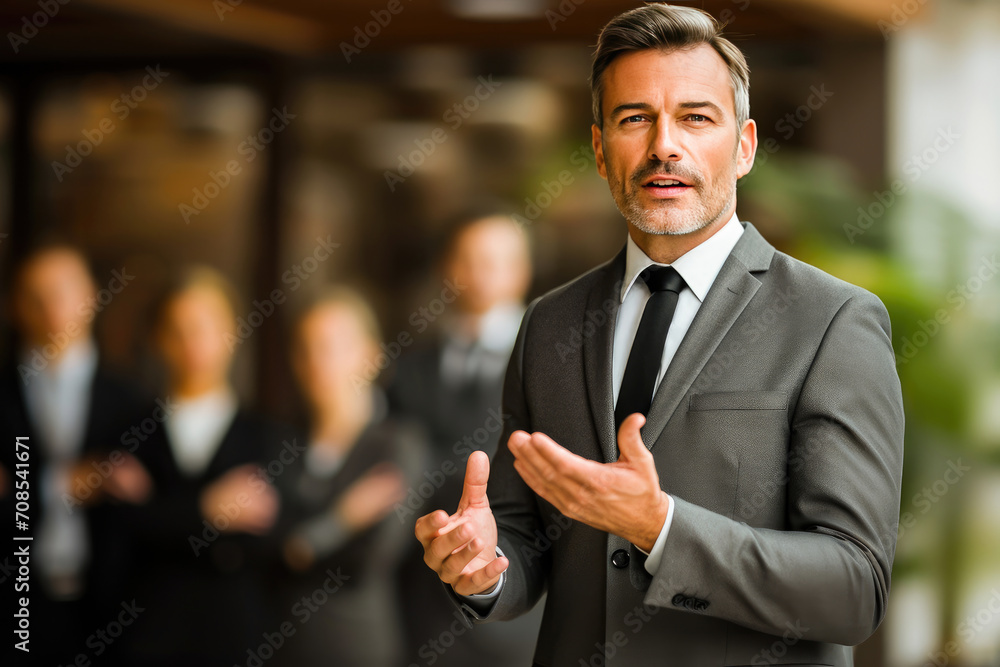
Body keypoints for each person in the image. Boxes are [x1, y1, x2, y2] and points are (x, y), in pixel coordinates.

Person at [415, 4, 904, 666]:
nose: (663, 145)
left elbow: (854, 588)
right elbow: (526, 546)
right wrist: (485, 566)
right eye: (634, 118)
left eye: (696, 117)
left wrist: (661, 527)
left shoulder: (832, 321)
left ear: (745, 146)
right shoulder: (549, 324)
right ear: (598, 149)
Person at [389, 212, 544, 667]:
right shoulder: (406, 369)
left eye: (495, 260)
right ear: (447, 269)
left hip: (516, 599)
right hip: (419, 604)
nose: (480, 272)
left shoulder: (555, 363)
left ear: (523, 270)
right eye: (468, 259)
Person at [117, 267, 283, 667]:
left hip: (236, 638)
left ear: (234, 333)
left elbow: (268, 542)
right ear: (158, 340)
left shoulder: (269, 437)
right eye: (178, 329)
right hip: (146, 638)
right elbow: (120, 533)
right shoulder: (129, 432)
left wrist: (160, 510)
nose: (192, 342)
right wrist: (209, 510)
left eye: (206, 326)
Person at [0, 243, 149, 667]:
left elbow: (145, 508)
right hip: (18, 607)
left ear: (91, 296)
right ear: (13, 307)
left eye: (63, 290)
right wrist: (58, 485)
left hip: (112, 609)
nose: (51, 308)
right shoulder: (3, 397)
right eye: (35, 295)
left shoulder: (134, 402)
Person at [269, 287, 427, 667]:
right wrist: (342, 520)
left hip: (357, 647)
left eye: (332, 346)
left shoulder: (398, 445)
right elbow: (256, 545)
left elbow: (369, 558)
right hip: (279, 645)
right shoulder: (282, 439)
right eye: (305, 348)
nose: (317, 362)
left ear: (371, 355)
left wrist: (301, 542)